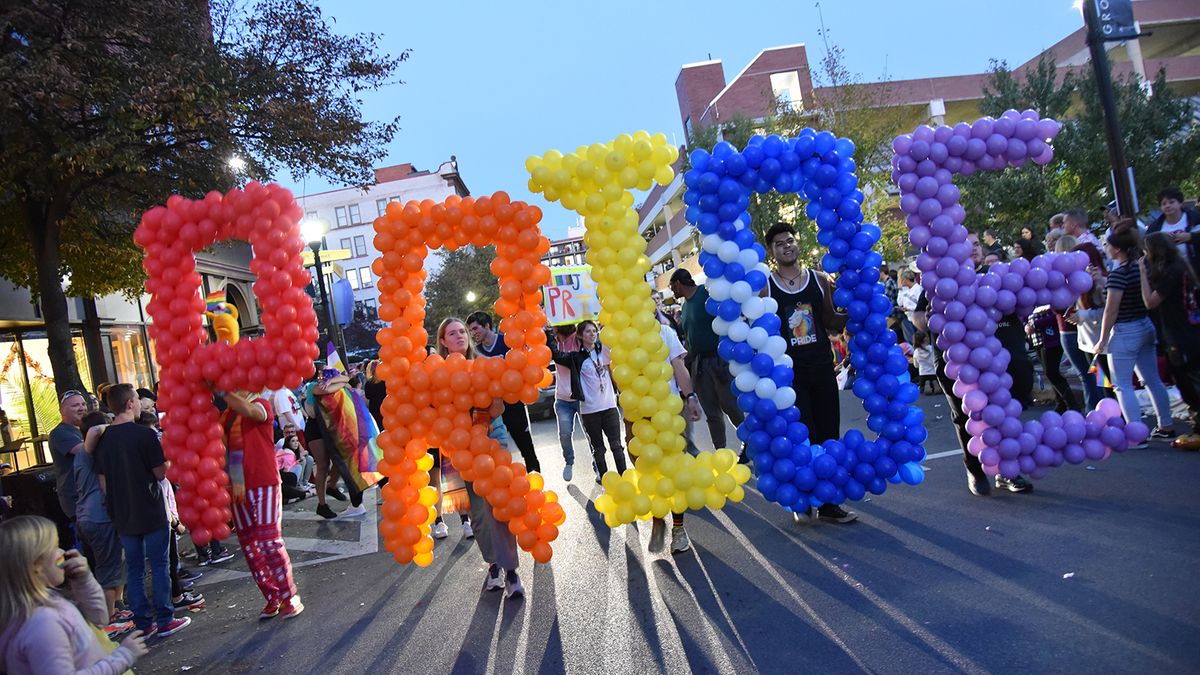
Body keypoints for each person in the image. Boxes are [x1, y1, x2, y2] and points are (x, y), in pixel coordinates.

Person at [763, 222, 856, 523]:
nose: (787, 246)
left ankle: (828, 503)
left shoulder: (818, 279)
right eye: (779, 243)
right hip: (789, 377)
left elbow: (829, 320)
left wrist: (858, 309)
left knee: (829, 433)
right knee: (803, 437)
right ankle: (803, 496)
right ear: (771, 251)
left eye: (790, 240)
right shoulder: (766, 285)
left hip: (821, 368)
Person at [93, 383, 190, 638]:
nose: (139, 403)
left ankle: (144, 624)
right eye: (136, 399)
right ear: (129, 404)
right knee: (159, 565)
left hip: (122, 512)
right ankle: (166, 618)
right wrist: (168, 460)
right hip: (149, 506)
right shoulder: (144, 435)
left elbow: (102, 483)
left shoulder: (103, 440)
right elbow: (160, 473)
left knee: (134, 569)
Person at [437, 318, 525, 598]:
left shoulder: (484, 365)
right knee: (476, 512)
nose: (460, 336)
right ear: (443, 341)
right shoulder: (436, 373)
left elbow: (499, 408)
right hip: (458, 447)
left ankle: (511, 571)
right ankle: (493, 564)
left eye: (462, 331)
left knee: (497, 505)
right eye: (452, 333)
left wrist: (483, 409)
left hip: (491, 437)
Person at [0, 516, 149, 673]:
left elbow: (98, 619)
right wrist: (122, 657)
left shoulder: (48, 602)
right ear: (36, 566)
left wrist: (84, 580)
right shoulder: (42, 625)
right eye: (54, 547)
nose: (63, 553)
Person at [216, 388, 304, 619]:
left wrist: (220, 390)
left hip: (263, 481)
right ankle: (272, 597)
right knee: (250, 546)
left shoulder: (262, 404)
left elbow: (250, 411)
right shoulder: (226, 415)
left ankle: (289, 596)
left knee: (268, 541)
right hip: (237, 488)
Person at [1095, 220, 1175, 439]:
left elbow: (1111, 311)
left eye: (1108, 245)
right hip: (1144, 324)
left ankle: (1135, 435)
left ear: (1118, 249)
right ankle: (1165, 424)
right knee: (1152, 379)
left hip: (1125, 331)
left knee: (1121, 385)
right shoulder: (1142, 267)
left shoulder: (1119, 274)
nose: (1106, 248)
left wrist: (1102, 339)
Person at [669, 268, 746, 457]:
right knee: (711, 411)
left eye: (672, 287)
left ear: (678, 283)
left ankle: (749, 443)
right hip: (699, 365)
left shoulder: (706, 293)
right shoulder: (685, 306)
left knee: (731, 406)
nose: (672, 292)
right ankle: (720, 451)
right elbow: (690, 336)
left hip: (719, 360)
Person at [646, 317, 703, 555]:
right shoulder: (616, 334)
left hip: (669, 410)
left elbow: (679, 366)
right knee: (650, 471)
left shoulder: (665, 331)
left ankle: (678, 529)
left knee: (674, 470)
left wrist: (690, 396)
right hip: (640, 417)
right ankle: (658, 517)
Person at [74, 411, 131, 638]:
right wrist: (114, 426)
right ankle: (106, 622)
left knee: (117, 562)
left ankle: (117, 609)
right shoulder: (84, 453)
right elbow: (95, 430)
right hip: (96, 519)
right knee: (108, 568)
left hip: (102, 518)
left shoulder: (99, 456)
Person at [550, 319, 628, 482]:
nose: (592, 334)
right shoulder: (576, 357)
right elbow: (557, 356)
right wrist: (549, 334)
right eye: (587, 331)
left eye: (594, 331)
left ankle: (624, 478)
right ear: (580, 335)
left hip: (609, 407)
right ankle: (606, 481)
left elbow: (616, 363)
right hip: (589, 411)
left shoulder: (605, 350)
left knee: (617, 446)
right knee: (599, 450)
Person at [1140, 231, 1200, 442]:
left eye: (1146, 250)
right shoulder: (1183, 266)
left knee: (1187, 382)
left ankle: (1198, 425)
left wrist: (1142, 273)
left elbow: (1150, 302)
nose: (1144, 255)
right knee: (1188, 379)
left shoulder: (1171, 272)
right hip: (1189, 330)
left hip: (1179, 334)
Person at [465, 312, 542, 474]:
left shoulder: (507, 341)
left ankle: (536, 483)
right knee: (495, 453)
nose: (473, 333)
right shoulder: (475, 352)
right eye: (470, 331)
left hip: (513, 403)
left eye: (475, 328)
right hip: (489, 408)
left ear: (487, 325)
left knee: (526, 447)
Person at [1068, 242, 1113, 412]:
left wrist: (1084, 315)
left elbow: (1110, 310)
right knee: (1102, 382)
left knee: (1110, 384)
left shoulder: (1103, 280)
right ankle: (1110, 415)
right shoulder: (1078, 281)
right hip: (1088, 342)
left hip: (1103, 342)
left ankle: (1118, 418)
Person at [1026, 306, 1080, 413]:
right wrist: (1026, 326)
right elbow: (1025, 316)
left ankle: (1072, 405)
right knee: (1050, 374)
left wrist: (1035, 325)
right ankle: (1061, 404)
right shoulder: (1031, 301)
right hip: (1037, 341)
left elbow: (1056, 316)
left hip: (1052, 341)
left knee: (1052, 373)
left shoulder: (1051, 299)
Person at [49, 390, 88, 536]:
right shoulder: (60, 433)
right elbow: (84, 451)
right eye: (75, 405)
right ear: (62, 410)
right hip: (77, 500)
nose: (81, 408)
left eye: (83, 404)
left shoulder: (84, 430)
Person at [551, 324, 583, 481]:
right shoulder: (553, 342)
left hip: (581, 397)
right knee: (564, 434)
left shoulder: (577, 340)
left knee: (591, 434)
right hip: (562, 399)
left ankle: (597, 466)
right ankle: (569, 462)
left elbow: (564, 359)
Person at [1147, 186, 1200, 267]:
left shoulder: (1195, 219)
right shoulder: (1155, 227)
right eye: (1164, 204)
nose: (1167, 206)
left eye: (1171, 202)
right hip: (1170, 274)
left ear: (1180, 203)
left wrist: (1191, 237)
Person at [896, 270, 921, 344]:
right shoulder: (908, 290)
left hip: (917, 318)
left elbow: (920, 305)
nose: (901, 282)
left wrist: (909, 309)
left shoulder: (917, 289)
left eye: (902, 280)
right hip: (910, 317)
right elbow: (900, 302)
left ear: (907, 279)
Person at [364, 360, 387, 430]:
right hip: (386, 408)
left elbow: (367, 396)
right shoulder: (385, 381)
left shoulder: (369, 383)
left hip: (374, 410)